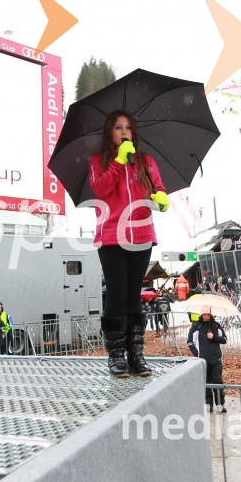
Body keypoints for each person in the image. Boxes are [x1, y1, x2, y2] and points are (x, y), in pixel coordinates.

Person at [89, 110, 168, 378]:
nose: (124, 132)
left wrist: (161, 198)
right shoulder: (98, 161)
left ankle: (136, 354)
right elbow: (100, 189)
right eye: (118, 127)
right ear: (109, 133)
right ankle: (115, 356)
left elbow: (158, 188)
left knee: (134, 292)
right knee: (117, 291)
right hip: (111, 235)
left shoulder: (145, 161)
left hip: (142, 235)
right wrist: (118, 162)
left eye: (128, 128)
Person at [187, 306, 228, 413]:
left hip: (216, 360)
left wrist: (213, 337)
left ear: (211, 315)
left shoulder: (216, 325)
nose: (206, 316)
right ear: (201, 315)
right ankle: (208, 405)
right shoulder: (196, 327)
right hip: (203, 361)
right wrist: (197, 353)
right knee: (205, 383)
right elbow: (190, 342)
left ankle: (220, 404)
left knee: (217, 382)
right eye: (204, 314)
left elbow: (224, 340)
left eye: (208, 314)